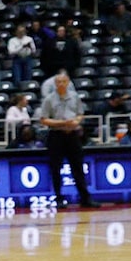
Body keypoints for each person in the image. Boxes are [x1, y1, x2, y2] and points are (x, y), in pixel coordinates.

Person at [36, 68, 93, 208]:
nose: (61, 84)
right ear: (55, 84)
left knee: (78, 168)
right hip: (56, 135)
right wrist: (62, 123)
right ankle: (59, 198)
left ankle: (85, 198)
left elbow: (80, 114)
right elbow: (43, 120)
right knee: (56, 168)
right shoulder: (49, 99)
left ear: (68, 82)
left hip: (73, 136)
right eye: (58, 82)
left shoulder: (75, 97)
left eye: (63, 81)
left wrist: (77, 121)